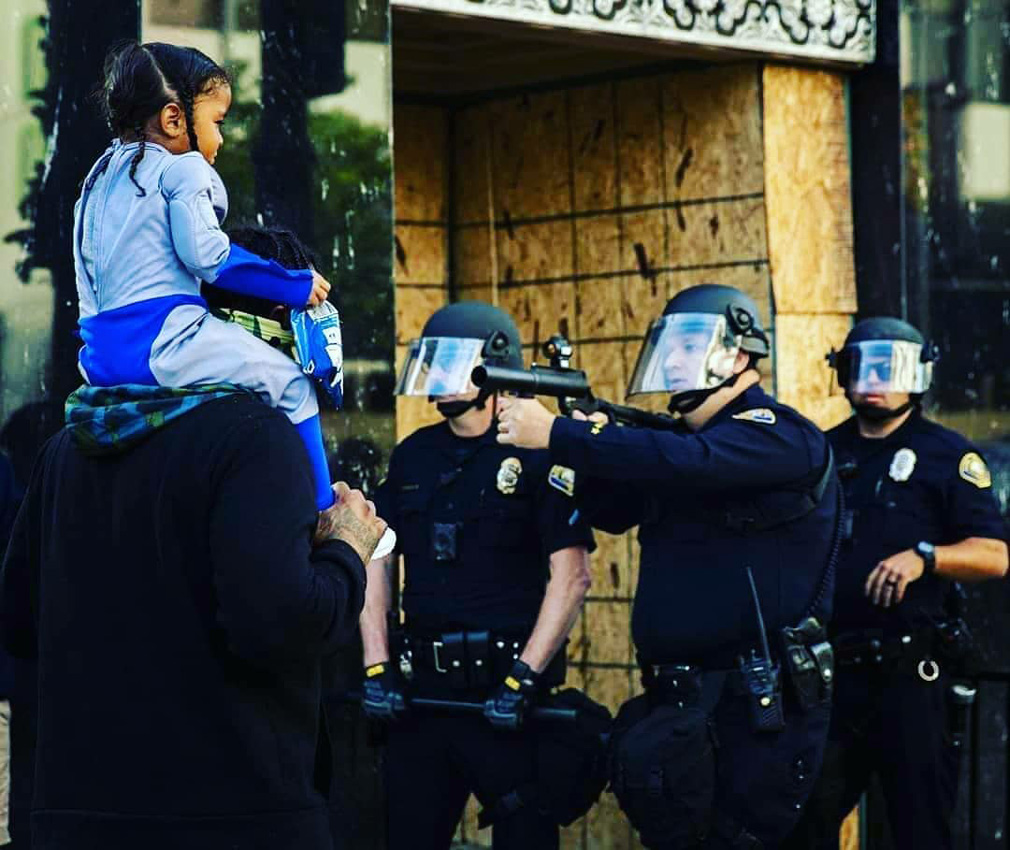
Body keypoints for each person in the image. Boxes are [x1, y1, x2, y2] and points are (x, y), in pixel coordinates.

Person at [0, 225, 387, 850]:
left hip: (77, 814)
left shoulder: (67, 448)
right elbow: (281, 624)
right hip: (231, 814)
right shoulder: (259, 437)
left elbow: (18, 621)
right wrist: (346, 547)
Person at [497, 283, 840, 848]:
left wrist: (561, 434)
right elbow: (614, 510)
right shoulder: (681, 447)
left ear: (741, 353)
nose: (675, 361)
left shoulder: (778, 436)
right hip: (685, 706)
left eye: (689, 346)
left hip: (757, 709)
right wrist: (582, 446)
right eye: (671, 347)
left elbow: (689, 464)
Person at [359, 302, 597, 850]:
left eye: (452, 365)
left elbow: (572, 576)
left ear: (493, 367)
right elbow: (377, 554)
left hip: (506, 701)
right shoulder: (415, 455)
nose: (437, 381)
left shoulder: (536, 452)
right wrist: (377, 666)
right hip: (423, 697)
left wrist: (524, 680)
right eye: (432, 364)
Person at [74, 41, 336, 510]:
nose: (221, 140)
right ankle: (321, 508)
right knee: (292, 385)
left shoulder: (96, 179)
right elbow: (210, 257)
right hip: (162, 341)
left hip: (97, 359)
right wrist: (294, 286)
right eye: (218, 122)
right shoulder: (184, 171)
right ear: (174, 119)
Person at [784, 317, 1009, 850]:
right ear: (842, 374)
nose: (874, 381)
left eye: (891, 369)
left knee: (919, 828)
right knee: (800, 824)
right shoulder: (819, 453)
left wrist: (925, 558)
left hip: (912, 677)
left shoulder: (948, 455)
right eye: (861, 367)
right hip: (829, 676)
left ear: (919, 376)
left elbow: (996, 556)